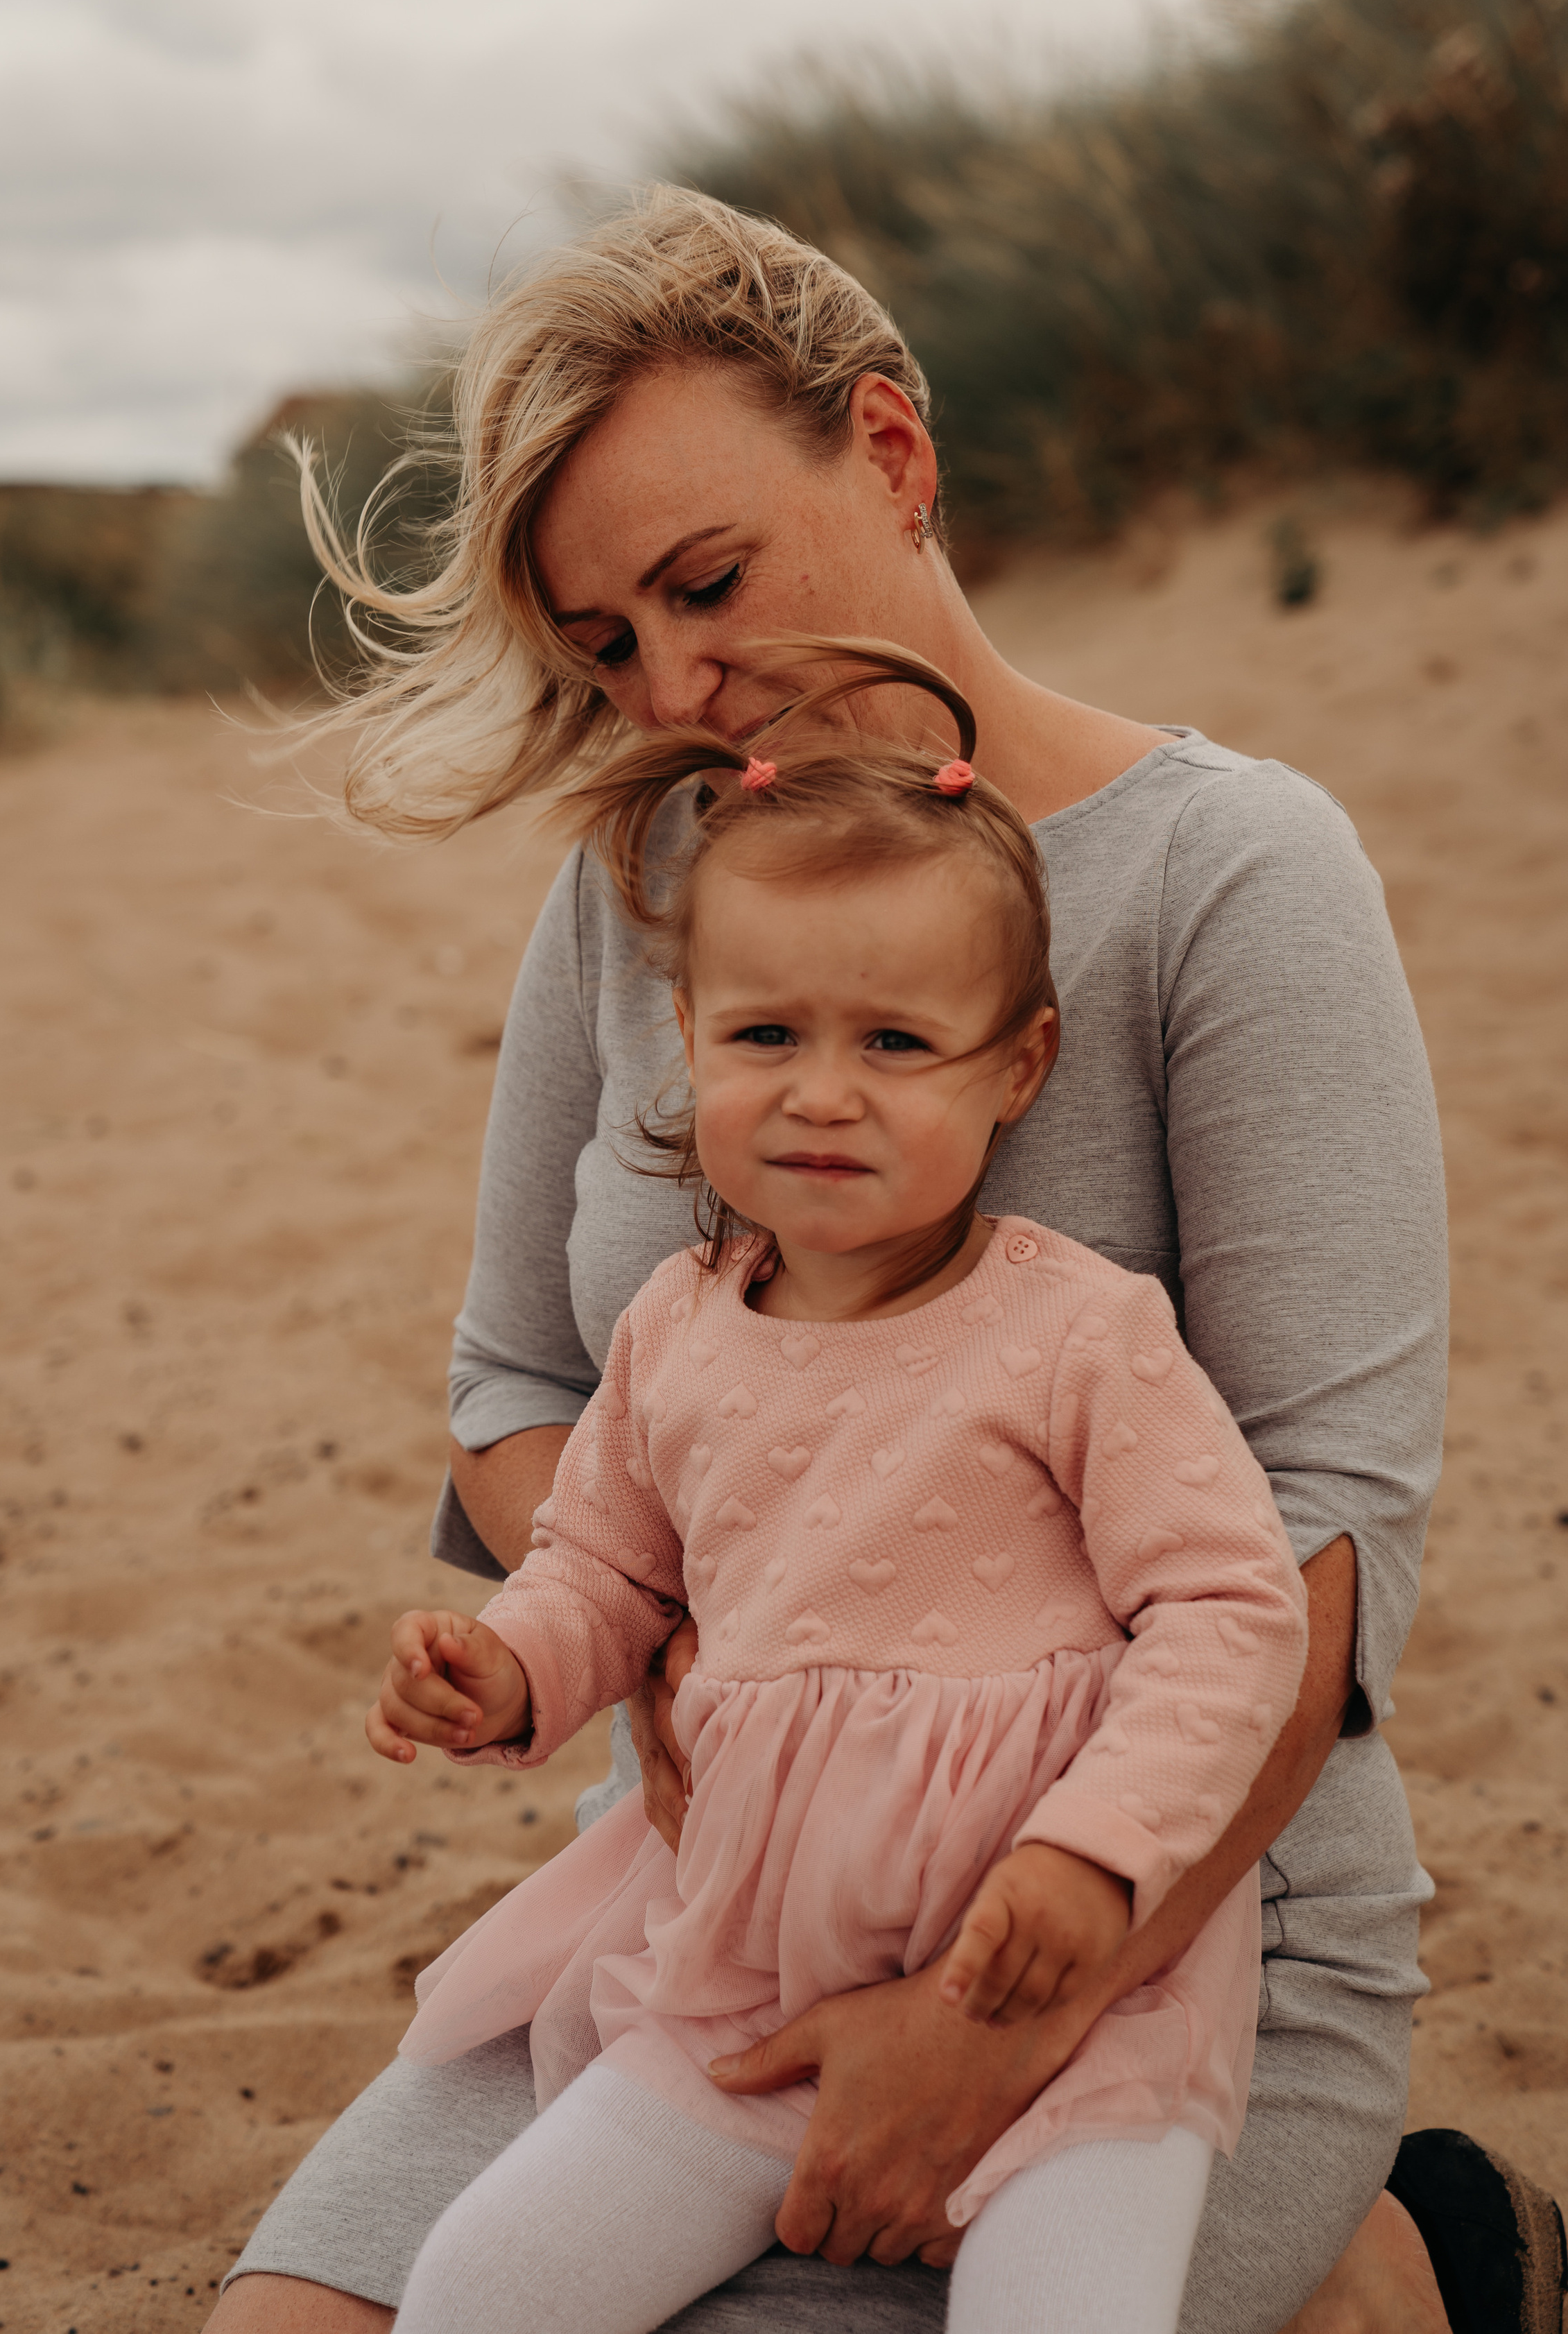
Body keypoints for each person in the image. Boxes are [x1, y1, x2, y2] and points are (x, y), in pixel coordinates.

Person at [207, 189, 1556, 2332]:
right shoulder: (638, 878)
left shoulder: (1237, 879)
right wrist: (663, 1637)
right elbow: (509, 1393)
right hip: (721, 1895)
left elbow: (1324, 1544)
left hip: (1160, 1910)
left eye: (707, 583)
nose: (676, 687)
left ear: (894, 454)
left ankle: (1409, 2253)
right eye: (605, 648)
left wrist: (999, 2020)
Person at [364, 654, 1311, 2334]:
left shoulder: (1077, 1330)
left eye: (893, 1040)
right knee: (474, 2292)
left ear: (1014, 1069)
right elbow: (602, 1569)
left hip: (1062, 1984)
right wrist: (510, 1665)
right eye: (764, 1034)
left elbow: (1231, 1604)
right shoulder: (674, 1329)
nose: (819, 1089)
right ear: (686, 1041)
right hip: (747, 1964)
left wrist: (1094, 1858)